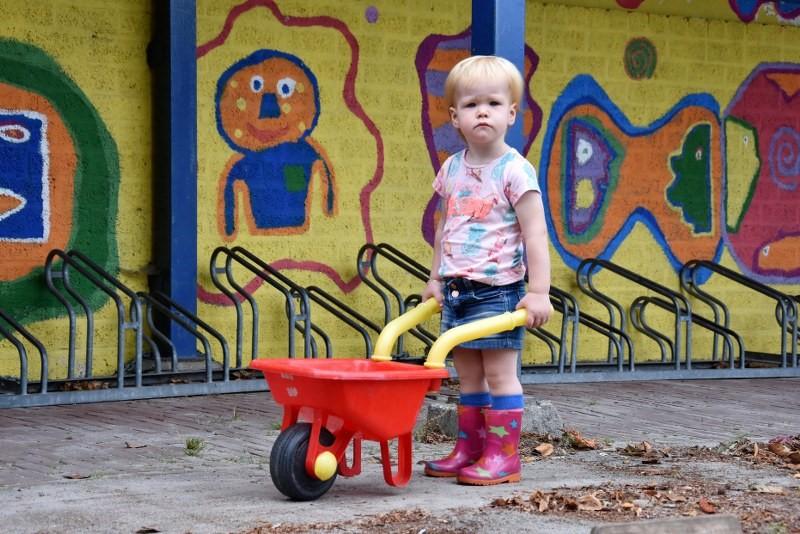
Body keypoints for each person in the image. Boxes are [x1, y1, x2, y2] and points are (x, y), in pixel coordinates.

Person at [421, 55, 553, 486]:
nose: (483, 111)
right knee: (469, 376)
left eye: (494, 103)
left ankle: (504, 457)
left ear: (511, 114)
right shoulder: (452, 168)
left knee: (499, 374)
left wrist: (538, 291)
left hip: (497, 291)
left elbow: (535, 234)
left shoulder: (515, 170)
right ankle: (471, 449)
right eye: (472, 104)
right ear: (454, 116)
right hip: (458, 290)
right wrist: (434, 277)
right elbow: (444, 228)